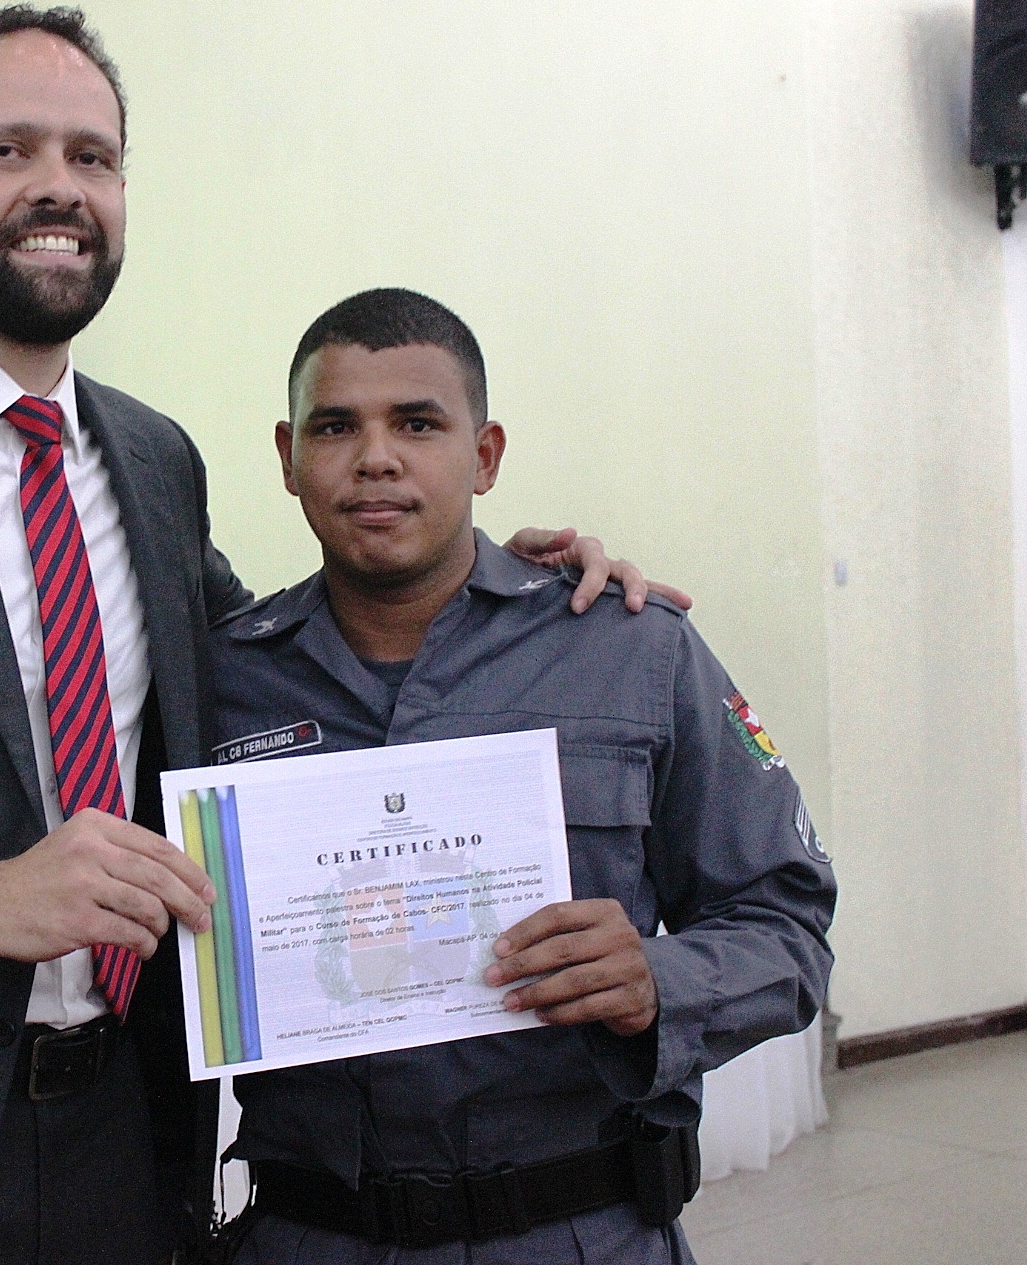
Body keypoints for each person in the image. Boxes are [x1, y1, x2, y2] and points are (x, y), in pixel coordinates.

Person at [0, 8, 667, 1265]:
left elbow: (284, 656)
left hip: (116, 1144)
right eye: (9, 150)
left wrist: (502, 578)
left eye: (92, 157)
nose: (59, 187)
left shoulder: (151, 459)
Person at [204, 288, 837, 1265]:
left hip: (580, 1232)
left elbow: (788, 922)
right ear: (288, 457)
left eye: (418, 423)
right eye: (335, 427)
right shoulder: (221, 679)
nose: (376, 457)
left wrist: (658, 981)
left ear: (486, 454)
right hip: (308, 1236)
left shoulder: (631, 650)